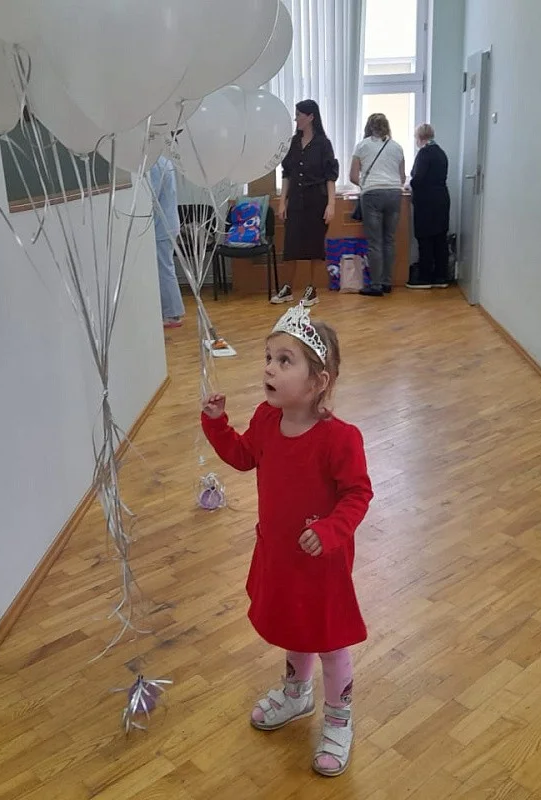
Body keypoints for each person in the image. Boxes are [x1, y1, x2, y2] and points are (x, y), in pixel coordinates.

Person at [200, 303, 373, 777]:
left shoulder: (340, 439)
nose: (269, 369)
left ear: (318, 382)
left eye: (284, 360)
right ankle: (297, 694)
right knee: (294, 625)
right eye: (268, 358)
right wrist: (217, 424)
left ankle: (338, 719)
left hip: (322, 564)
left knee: (329, 643)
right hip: (279, 556)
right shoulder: (265, 419)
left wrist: (329, 530)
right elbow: (243, 456)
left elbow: (358, 494)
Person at [274, 100, 339, 307]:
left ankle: (312, 289)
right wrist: (282, 201)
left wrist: (331, 204)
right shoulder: (293, 143)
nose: (296, 119)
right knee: (290, 245)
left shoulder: (323, 144)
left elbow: (330, 176)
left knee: (315, 246)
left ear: (311, 117)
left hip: (317, 200)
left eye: (299, 115)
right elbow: (287, 174)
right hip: (296, 200)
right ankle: (287, 288)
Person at [350, 113, 405, 297]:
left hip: (372, 194)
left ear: (368, 127)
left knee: (375, 242)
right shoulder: (397, 147)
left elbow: (353, 176)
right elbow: (402, 177)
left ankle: (376, 285)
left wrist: (366, 184)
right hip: (394, 194)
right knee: (389, 239)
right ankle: (387, 282)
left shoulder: (362, 146)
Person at [406, 123, 451, 289]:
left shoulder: (424, 153)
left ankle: (424, 277)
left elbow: (418, 178)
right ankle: (441, 276)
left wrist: (409, 185)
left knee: (425, 238)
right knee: (440, 238)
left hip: (426, 201)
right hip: (442, 199)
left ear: (419, 138)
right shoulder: (441, 153)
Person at [148, 155, 185, 328]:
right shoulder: (163, 161)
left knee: (164, 269)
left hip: (162, 226)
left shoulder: (153, 164)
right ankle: (170, 311)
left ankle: (172, 314)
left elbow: (151, 196)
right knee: (165, 267)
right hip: (167, 223)